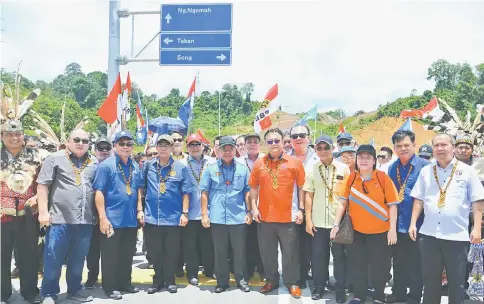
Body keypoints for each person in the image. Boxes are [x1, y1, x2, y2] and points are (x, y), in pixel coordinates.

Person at [409, 133, 484, 304]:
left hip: (456, 236)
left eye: (444, 145)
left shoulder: (467, 171)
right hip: (429, 235)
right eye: (436, 145)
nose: (440, 148)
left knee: (457, 283)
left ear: (453, 147)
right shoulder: (426, 171)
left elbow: (477, 200)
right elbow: (418, 199)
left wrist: (477, 228)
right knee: (430, 282)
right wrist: (413, 223)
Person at [331, 144, 399, 304]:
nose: (364, 160)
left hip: (380, 232)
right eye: (361, 157)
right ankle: (359, 295)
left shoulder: (383, 178)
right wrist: (335, 225)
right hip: (357, 232)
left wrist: (392, 229)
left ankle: (379, 297)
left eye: (368, 157)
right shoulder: (352, 178)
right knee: (357, 265)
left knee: (380, 266)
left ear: (374, 160)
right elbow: (342, 203)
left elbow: (393, 205)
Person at [37, 129, 98, 304]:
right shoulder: (54, 159)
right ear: (68, 141)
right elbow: (42, 186)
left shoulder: (93, 161)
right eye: (77, 139)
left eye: (85, 141)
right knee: (54, 258)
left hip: (85, 219)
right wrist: (43, 212)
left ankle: (75, 289)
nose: (80, 143)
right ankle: (49, 293)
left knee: (78, 259)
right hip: (59, 219)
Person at [249, 128, 305, 298]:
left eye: (276, 141)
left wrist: (301, 209)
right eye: (270, 141)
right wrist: (254, 207)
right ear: (265, 144)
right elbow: (253, 187)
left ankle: (292, 282)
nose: (273, 144)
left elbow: (302, 187)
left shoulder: (295, 163)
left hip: (288, 217)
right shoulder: (259, 163)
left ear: (282, 142)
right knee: (268, 253)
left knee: (290, 253)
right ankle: (271, 280)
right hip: (265, 218)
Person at [138, 134, 191, 294]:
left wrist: (184, 213)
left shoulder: (180, 168)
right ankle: (157, 280)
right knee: (155, 252)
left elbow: (186, 193)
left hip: (173, 218)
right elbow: (140, 188)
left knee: (172, 251)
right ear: (156, 147)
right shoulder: (148, 166)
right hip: (152, 217)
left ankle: (170, 280)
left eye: (166, 145)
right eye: (160, 145)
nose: (163, 148)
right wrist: (140, 210)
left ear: (172, 147)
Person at [200, 136, 252, 293]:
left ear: (235, 149)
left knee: (239, 251)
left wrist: (249, 211)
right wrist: (204, 214)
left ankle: (241, 280)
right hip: (217, 218)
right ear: (218, 150)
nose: (228, 151)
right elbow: (204, 192)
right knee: (220, 251)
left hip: (238, 217)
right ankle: (222, 282)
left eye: (231, 148)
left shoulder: (243, 169)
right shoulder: (211, 169)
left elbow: (247, 192)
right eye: (224, 148)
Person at [93, 131, 140, 300]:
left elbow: (138, 190)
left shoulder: (135, 165)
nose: (126, 147)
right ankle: (110, 287)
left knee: (127, 254)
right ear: (115, 146)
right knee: (110, 256)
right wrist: (103, 218)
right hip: (112, 219)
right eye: (122, 144)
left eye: (129, 144)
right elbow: (98, 192)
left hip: (130, 219)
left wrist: (140, 210)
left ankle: (124, 283)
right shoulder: (106, 165)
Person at [1, 119, 43, 304]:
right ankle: (2, 293)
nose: (14, 138)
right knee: (1, 257)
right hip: (2, 216)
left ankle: (30, 292)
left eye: (17, 134)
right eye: (9, 134)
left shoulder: (36, 156)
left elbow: (43, 183)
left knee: (28, 256)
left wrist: (38, 201)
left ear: (23, 135)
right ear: (2, 137)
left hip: (28, 215)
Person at [386, 130, 430, 304]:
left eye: (406, 145)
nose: (402, 148)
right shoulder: (392, 167)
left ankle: (415, 295)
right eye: (398, 146)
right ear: (394, 148)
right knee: (398, 261)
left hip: (418, 223)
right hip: (397, 223)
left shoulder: (425, 166)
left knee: (416, 262)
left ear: (414, 145)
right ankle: (398, 292)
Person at [304, 135, 350, 302]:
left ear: (333, 149)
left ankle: (340, 288)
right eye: (319, 148)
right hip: (318, 222)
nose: (323, 151)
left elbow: (347, 197)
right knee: (318, 257)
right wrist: (308, 219)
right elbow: (309, 195)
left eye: (326, 148)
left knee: (339, 258)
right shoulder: (311, 169)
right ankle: (319, 286)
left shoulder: (344, 169)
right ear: (315, 150)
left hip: (336, 223)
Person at [180, 134, 216, 285]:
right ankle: (192, 272)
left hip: (209, 212)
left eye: (197, 144)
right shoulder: (181, 164)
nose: (195, 147)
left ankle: (209, 269)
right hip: (190, 211)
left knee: (209, 243)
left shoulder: (213, 162)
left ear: (203, 146)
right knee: (190, 245)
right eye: (191, 145)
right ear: (187, 148)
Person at [288, 125, 318, 289]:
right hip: (294, 209)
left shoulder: (318, 157)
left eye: (302, 135)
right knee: (297, 245)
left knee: (316, 246)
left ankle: (319, 276)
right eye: (294, 136)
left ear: (309, 137)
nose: (298, 138)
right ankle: (299, 275)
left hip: (316, 209)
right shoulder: (285, 158)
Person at [236, 134, 265, 281]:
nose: (252, 144)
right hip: (245, 207)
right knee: (247, 241)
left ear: (260, 144)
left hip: (264, 206)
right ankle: (248, 270)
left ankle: (263, 270)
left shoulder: (266, 159)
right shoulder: (238, 161)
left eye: (255, 142)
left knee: (263, 241)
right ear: (244, 145)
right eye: (249, 142)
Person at [85, 136, 112, 289]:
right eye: (100, 148)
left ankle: (109, 278)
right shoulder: (89, 166)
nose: (103, 151)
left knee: (110, 249)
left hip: (111, 213)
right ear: (95, 150)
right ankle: (92, 277)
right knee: (93, 250)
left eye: (107, 148)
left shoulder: (116, 165)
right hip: (92, 215)